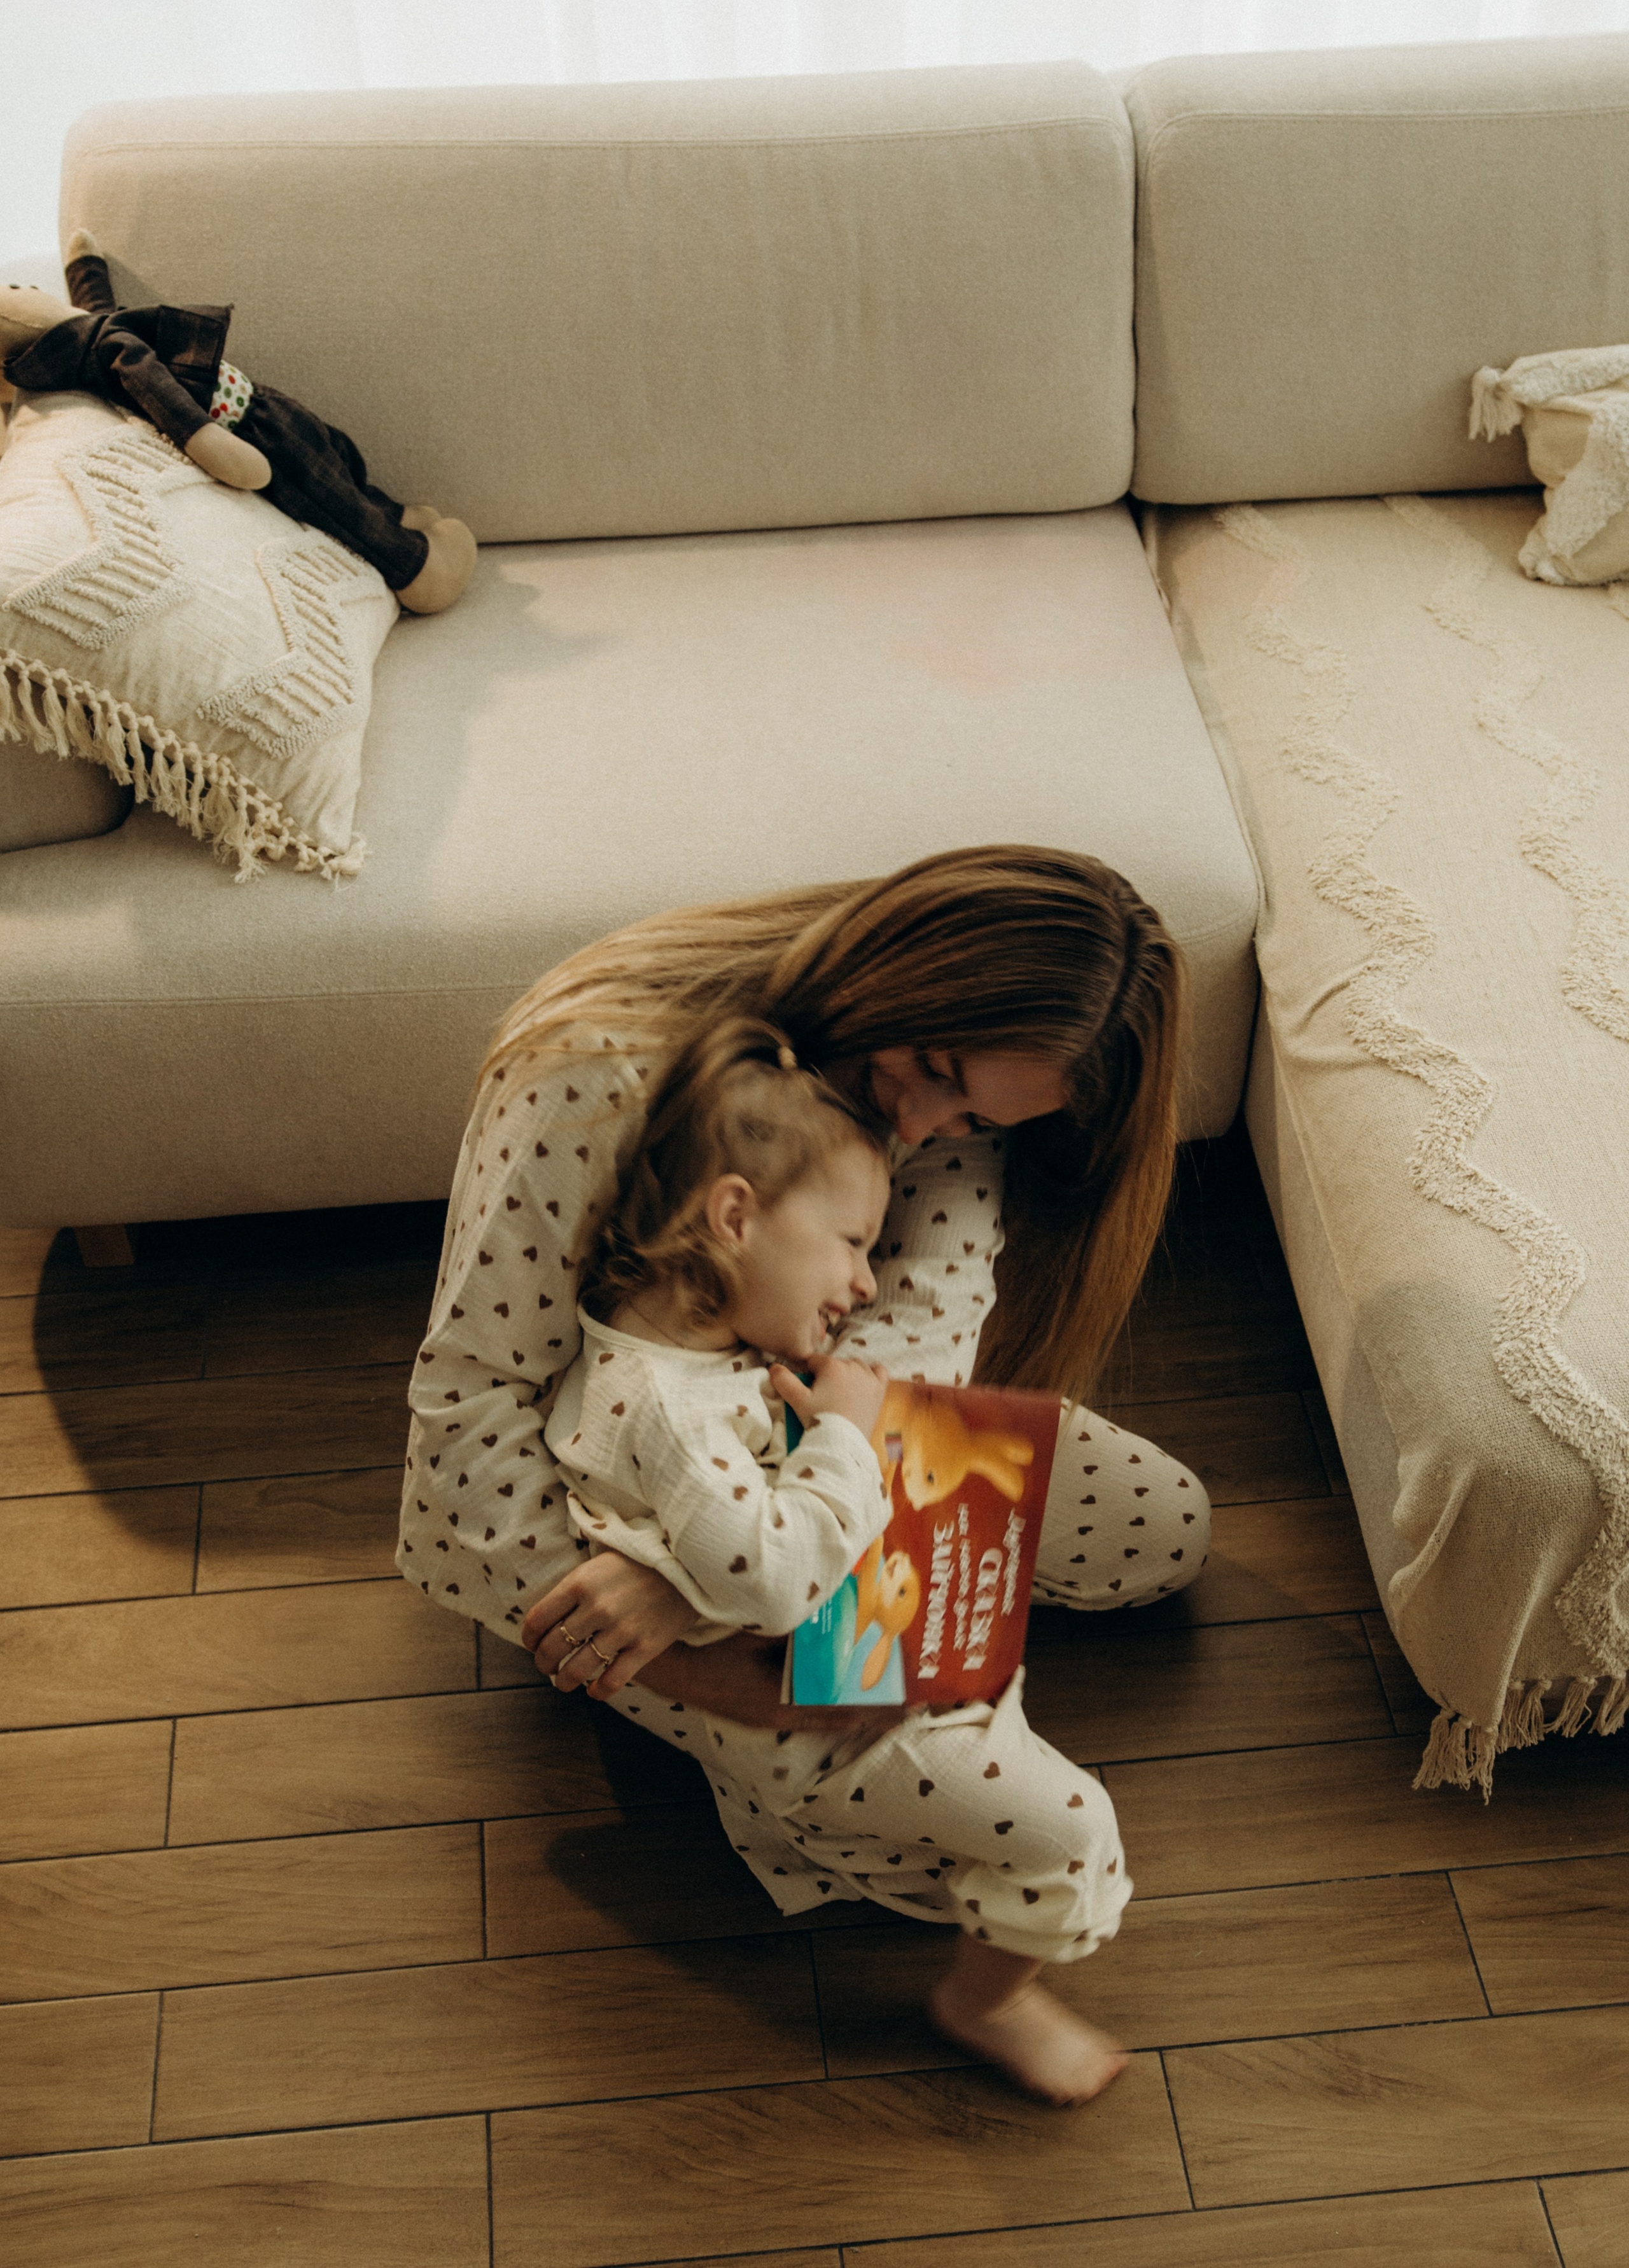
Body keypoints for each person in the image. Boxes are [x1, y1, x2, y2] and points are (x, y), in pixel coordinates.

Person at [398, 845, 1211, 2089]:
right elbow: (463, 1416)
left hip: (801, 1458)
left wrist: (738, 1547)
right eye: (938, 1076)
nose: (928, 1126)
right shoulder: (599, 1079)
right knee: (927, 1810)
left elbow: (922, 1331)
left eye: (978, 1121)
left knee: (1162, 1533)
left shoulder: (936, 1097)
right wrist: (684, 1620)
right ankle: (798, 1771)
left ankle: (870, 1709)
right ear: (902, 963)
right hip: (645, 1483)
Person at [538, 1011, 1136, 2101]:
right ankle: (983, 1998)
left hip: (865, 1625)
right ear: (734, 1215)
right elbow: (770, 1577)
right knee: (1073, 1830)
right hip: (828, 1715)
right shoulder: (672, 1418)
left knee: (1091, 1524)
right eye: (855, 1242)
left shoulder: (673, 1339)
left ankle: (963, 1737)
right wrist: (854, 1437)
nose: (866, 1284)